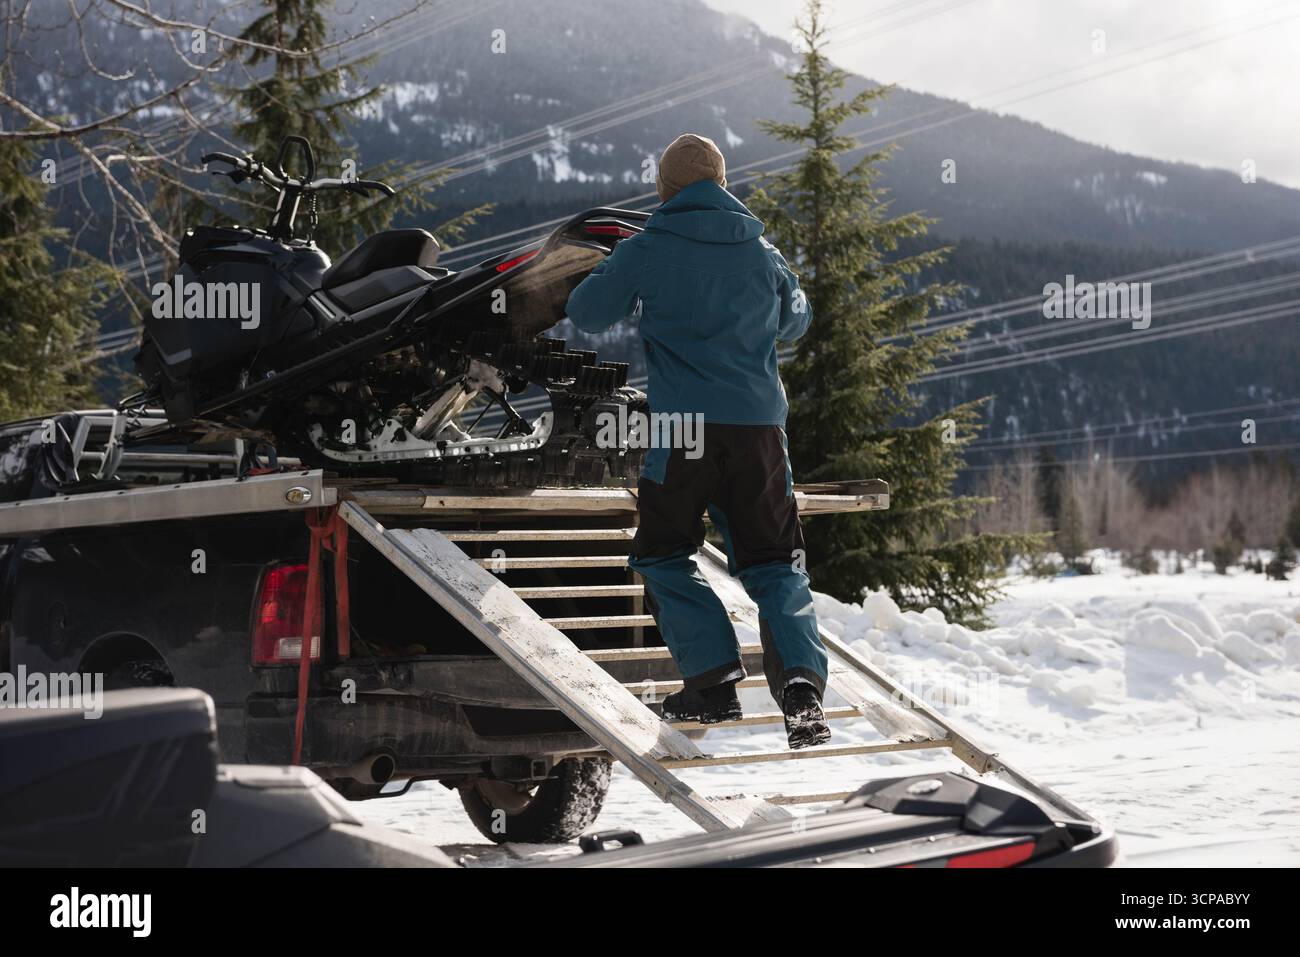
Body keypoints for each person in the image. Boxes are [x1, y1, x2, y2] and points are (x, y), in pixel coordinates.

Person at [565, 132, 830, 749]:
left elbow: (588, 310)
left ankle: (711, 684)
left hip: (683, 428)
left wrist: (619, 273)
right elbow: (796, 318)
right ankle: (801, 689)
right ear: (722, 183)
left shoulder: (649, 246)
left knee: (663, 553)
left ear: (666, 189)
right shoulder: (762, 251)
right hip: (759, 429)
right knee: (775, 562)